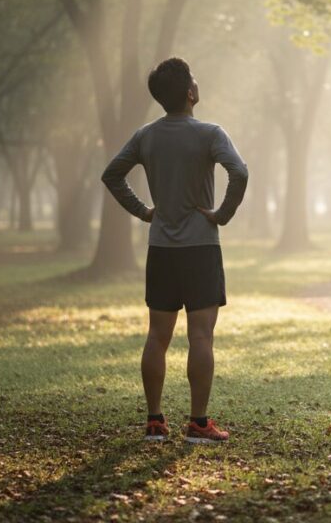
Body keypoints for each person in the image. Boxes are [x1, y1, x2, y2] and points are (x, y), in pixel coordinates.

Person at [101, 57, 248, 444]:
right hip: (201, 247)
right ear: (190, 92)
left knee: (157, 336)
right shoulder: (211, 133)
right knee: (201, 337)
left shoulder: (145, 136)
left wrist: (145, 211)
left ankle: (154, 422)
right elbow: (240, 171)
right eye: (194, 81)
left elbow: (112, 175)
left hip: (161, 248)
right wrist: (222, 214)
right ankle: (199, 425)